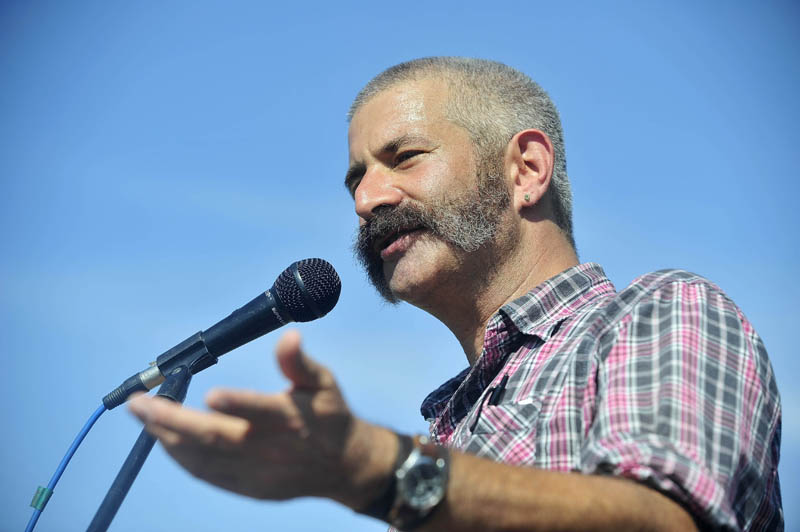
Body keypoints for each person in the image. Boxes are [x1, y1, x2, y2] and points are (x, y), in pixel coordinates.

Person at [129, 57, 783, 531]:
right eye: (356, 178)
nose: (366, 199)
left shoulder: (659, 315)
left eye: (405, 156)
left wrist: (377, 470)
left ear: (526, 170)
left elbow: (665, 524)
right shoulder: (445, 430)